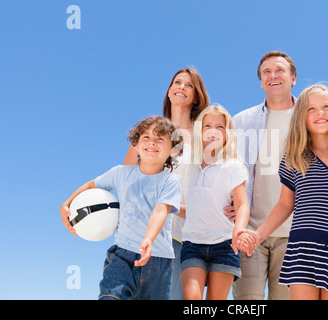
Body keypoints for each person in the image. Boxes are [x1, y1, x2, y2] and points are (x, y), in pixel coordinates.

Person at [237, 84, 328, 300]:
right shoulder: (295, 157)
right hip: (301, 250)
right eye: (311, 109)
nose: (320, 113)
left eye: (326, 106)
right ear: (301, 117)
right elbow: (285, 204)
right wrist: (258, 235)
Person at [60, 116, 183, 300]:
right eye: (146, 137)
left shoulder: (170, 181)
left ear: (172, 149)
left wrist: (148, 239)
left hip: (160, 260)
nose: (152, 142)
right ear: (136, 145)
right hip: (122, 256)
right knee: (110, 297)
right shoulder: (120, 173)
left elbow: (160, 210)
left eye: (160, 139)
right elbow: (92, 185)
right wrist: (66, 203)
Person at [123, 68, 209, 300]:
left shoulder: (204, 138)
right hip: (142, 233)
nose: (181, 87)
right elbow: (127, 180)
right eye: (177, 82)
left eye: (189, 85)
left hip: (183, 237)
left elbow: (215, 187)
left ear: (197, 96)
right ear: (169, 90)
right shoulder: (147, 131)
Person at [230, 51, 297, 300]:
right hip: (251, 233)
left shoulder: (310, 119)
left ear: (293, 78)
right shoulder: (241, 122)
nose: (273, 76)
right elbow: (226, 169)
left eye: (279, 70)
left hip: (294, 234)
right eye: (266, 72)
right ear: (261, 82)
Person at [180, 105, 252, 300]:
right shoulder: (191, 167)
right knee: (191, 298)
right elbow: (195, 209)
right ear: (200, 131)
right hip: (192, 244)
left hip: (225, 245)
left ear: (227, 134)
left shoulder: (233, 166)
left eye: (220, 127)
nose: (213, 131)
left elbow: (242, 205)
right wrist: (169, 207)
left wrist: (239, 230)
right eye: (208, 125)